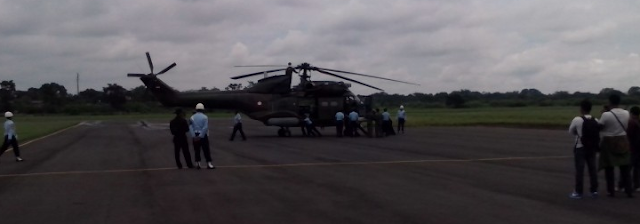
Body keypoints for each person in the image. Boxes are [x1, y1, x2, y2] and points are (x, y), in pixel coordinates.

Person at [598, 94, 632, 197]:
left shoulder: (606, 115)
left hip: (609, 141)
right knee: (625, 167)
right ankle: (628, 190)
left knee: (609, 167)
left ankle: (611, 191)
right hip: (623, 140)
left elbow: (600, 126)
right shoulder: (626, 113)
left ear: (610, 102)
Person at [568, 99, 599, 199]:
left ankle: (578, 191)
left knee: (579, 170)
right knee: (592, 169)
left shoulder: (577, 119)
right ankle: (594, 190)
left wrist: (579, 134)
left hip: (580, 147)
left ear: (581, 108)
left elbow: (571, 131)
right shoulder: (596, 120)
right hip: (592, 148)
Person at [190, 103, 215, 170]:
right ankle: (209, 164)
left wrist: (194, 136)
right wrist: (201, 136)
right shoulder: (205, 117)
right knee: (206, 150)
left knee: (197, 150)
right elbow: (205, 127)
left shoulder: (192, 117)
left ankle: (198, 163)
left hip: (195, 135)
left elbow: (191, 127)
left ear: (196, 109)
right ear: (202, 109)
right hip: (203, 135)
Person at [627, 106, 640, 191]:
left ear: (631, 113)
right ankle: (637, 185)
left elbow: (629, 135)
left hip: (632, 147)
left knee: (627, 167)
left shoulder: (631, 123)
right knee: (637, 168)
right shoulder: (638, 122)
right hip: (638, 148)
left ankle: (624, 185)